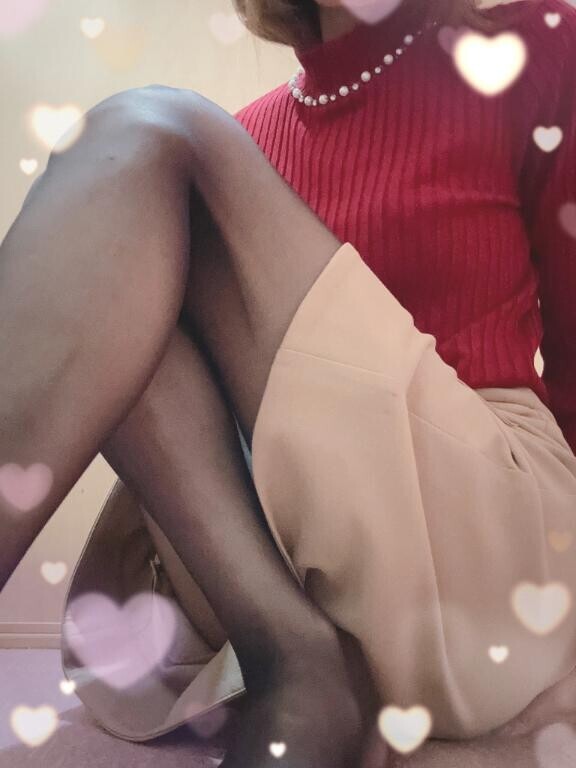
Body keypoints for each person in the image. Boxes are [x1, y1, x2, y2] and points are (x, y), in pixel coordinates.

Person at [1, 0, 575, 765]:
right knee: (109, 230)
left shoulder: (535, 46)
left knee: (142, 132)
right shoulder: (241, 145)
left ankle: (301, 658)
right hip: (282, 561)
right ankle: (300, 661)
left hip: (479, 544)